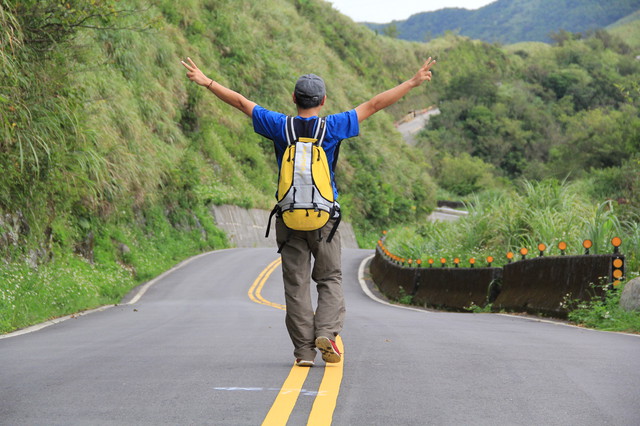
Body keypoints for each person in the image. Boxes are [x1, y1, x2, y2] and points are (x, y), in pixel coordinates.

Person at [181, 56, 436, 366]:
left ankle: (304, 351)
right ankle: (327, 331)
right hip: (325, 218)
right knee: (329, 279)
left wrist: (207, 81)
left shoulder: (279, 125)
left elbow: (241, 103)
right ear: (323, 100)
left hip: (289, 218)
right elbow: (373, 105)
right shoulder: (332, 126)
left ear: (294, 98)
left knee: (296, 283)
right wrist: (411, 81)